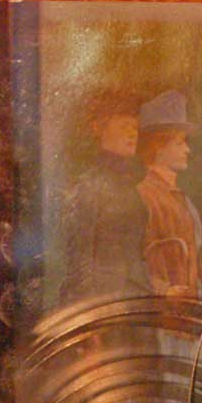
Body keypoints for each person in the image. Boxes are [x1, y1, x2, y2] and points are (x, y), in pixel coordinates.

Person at [57, 89, 148, 305]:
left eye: (135, 127)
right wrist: (89, 319)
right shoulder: (88, 187)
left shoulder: (130, 187)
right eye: (124, 126)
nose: (132, 134)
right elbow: (80, 263)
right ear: (98, 128)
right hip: (101, 306)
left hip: (130, 301)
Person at [135, 90, 202, 299]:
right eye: (179, 143)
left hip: (189, 304)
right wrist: (163, 289)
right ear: (158, 147)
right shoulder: (145, 195)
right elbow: (133, 258)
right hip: (164, 309)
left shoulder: (179, 196)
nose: (187, 150)